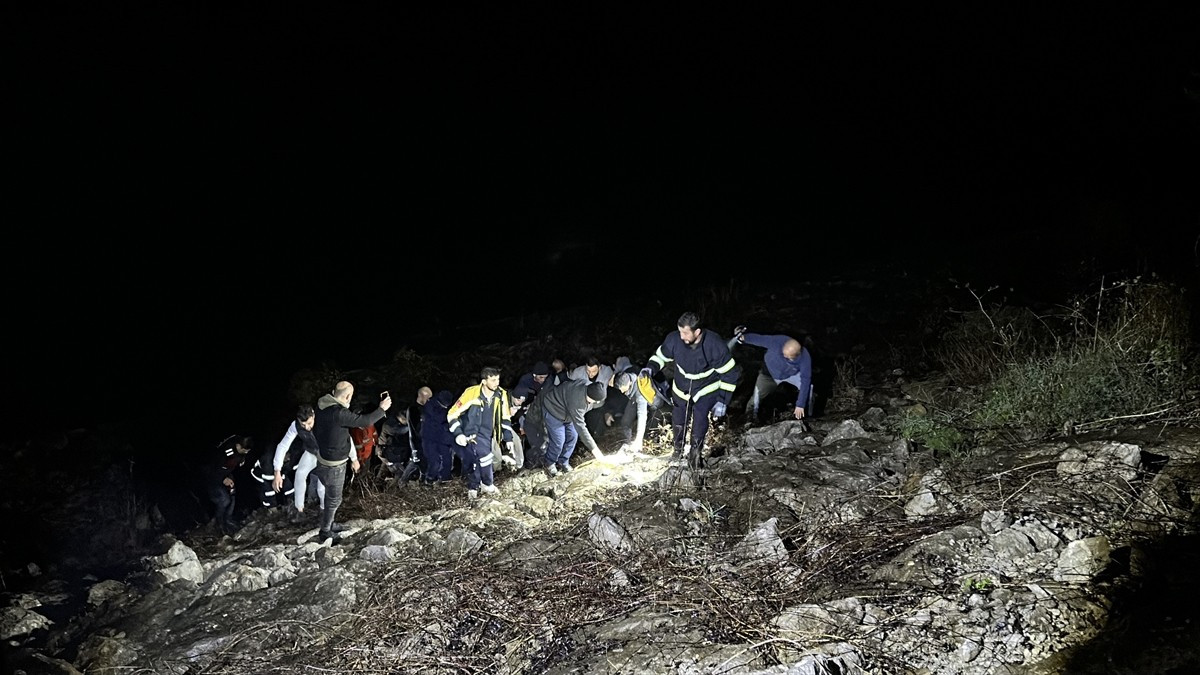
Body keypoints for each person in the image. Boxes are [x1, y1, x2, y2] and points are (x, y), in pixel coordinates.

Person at [641, 311, 739, 466]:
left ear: (697, 331)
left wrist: (723, 400)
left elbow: (730, 373)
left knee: (700, 421)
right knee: (678, 419)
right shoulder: (673, 339)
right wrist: (650, 368)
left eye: (685, 333)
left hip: (706, 387)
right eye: (680, 331)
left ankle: (695, 454)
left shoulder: (714, 344)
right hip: (681, 386)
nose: (681, 336)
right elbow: (660, 356)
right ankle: (677, 450)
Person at [312, 381, 391, 544]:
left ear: (334, 392)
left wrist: (353, 458)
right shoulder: (339, 413)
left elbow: (342, 434)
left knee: (330, 496)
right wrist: (382, 408)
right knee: (334, 499)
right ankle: (326, 531)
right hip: (334, 465)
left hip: (322, 459)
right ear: (348, 396)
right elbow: (364, 421)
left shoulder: (322, 405)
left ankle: (330, 523)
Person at [447, 367, 517, 501]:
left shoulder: (501, 394)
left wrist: (507, 438)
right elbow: (452, 414)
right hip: (472, 433)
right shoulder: (471, 393)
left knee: (478, 462)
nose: (497, 383)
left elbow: (505, 417)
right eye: (493, 380)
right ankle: (487, 484)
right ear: (484, 381)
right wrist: (458, 434)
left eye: (498, 379)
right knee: (485, 457)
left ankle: (473, 487)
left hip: (489, 434)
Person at [728, 326, 813, 423]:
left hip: (791, 375)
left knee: (808, 388)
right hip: (769, 374)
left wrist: (800, 404)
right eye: (783, 351)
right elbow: (760, 339)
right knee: (755, 398)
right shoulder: (778, 341)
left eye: (786, 355)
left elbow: (806, 379)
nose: (783, 355)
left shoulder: (805, 357)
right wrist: (743, 338)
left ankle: (809, 416)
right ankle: (750, 420)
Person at [536, 379, 608, 477]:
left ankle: (563, 462)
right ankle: (550, 463)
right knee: (559, 441)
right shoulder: (578, 401)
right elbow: (581, 428)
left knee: (573, 437)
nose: (595, 403)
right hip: (553, 409)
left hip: (568, 413)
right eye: (594, 401)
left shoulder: (590, 391)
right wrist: (595, 450)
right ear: (588, 394)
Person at [269, 404, 319, 521]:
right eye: (303, 424)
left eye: (309, 423)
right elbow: (283, 446)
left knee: (322, 487)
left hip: (328, 454)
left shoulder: (324, 419)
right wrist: (277, 471)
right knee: (300, 474)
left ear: (314, 415)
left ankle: (324, 513)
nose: (307, 427)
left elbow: (343, 437)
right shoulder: (295, 426)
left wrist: (353, 458)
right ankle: (299, 511)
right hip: (311, 452)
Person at [203, 434, 254, 535]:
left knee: (232, 494)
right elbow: (213, 467)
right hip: (213, 475)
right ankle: (219, 523)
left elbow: (233, 466)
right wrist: (223, 479)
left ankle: (228, 519)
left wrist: (229, 477)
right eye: (245, 450)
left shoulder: (240, 450)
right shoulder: (225, 453)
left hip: (226, 473)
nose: (246, 453)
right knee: (224, 500)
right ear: (239, 446)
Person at [391, 386, 433, 487]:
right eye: (427, 397)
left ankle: (423, 482)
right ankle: (403, 482)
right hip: (418, 442)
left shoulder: (427, 408)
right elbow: (415, 430)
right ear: (420, 396)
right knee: (416, 461)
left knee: (423, 463)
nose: (429, 400)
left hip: (427, 442)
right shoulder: (414, 409)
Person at [421, 390, 457, 485]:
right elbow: (439, 418)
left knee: (447, 460)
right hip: (431, 438)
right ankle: (429, 480)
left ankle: (445, 480)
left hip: (443, 439)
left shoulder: (443, 407)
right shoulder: (430, 406)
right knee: (435, 462)